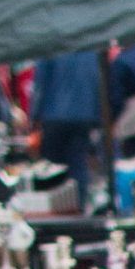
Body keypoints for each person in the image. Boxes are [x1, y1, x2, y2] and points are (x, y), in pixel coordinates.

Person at [28, 44, 103, 188]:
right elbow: (97, 81)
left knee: (52, 167)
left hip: (53, 115)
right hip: (84, 115)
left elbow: (40, 84)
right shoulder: (91, 50)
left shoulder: (50, 48)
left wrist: (34, 116)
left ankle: (55, 203)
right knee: (78, 163)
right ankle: (78, 203)